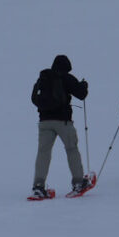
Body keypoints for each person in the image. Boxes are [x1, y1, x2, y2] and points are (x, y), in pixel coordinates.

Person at [30, 55, 92, 198]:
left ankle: (38, 186)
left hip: (44, 121)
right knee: (71, 149)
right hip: (63, 121)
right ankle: (78, 182)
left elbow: (34, 98)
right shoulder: (66, 77)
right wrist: (84, 85)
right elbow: (81, 94)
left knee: (43, 153)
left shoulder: (43, 79)